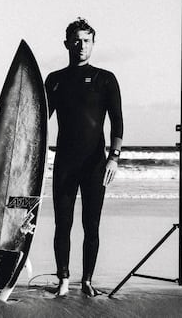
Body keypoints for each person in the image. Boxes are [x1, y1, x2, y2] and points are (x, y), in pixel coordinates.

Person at [44, 17, 123, 297]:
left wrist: (114, 157)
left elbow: (117, 121)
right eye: (76, 40)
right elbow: (38, 120)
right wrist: (1, 114)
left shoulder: (105, 79)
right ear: (67, 43)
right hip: (65, 162)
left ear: (93, 44)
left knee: (91, 225)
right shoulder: (54, 80)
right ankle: (63, 281)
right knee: (62, 224)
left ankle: (87, 280)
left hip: (94, 164)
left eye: (87, 40)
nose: (81, 46)